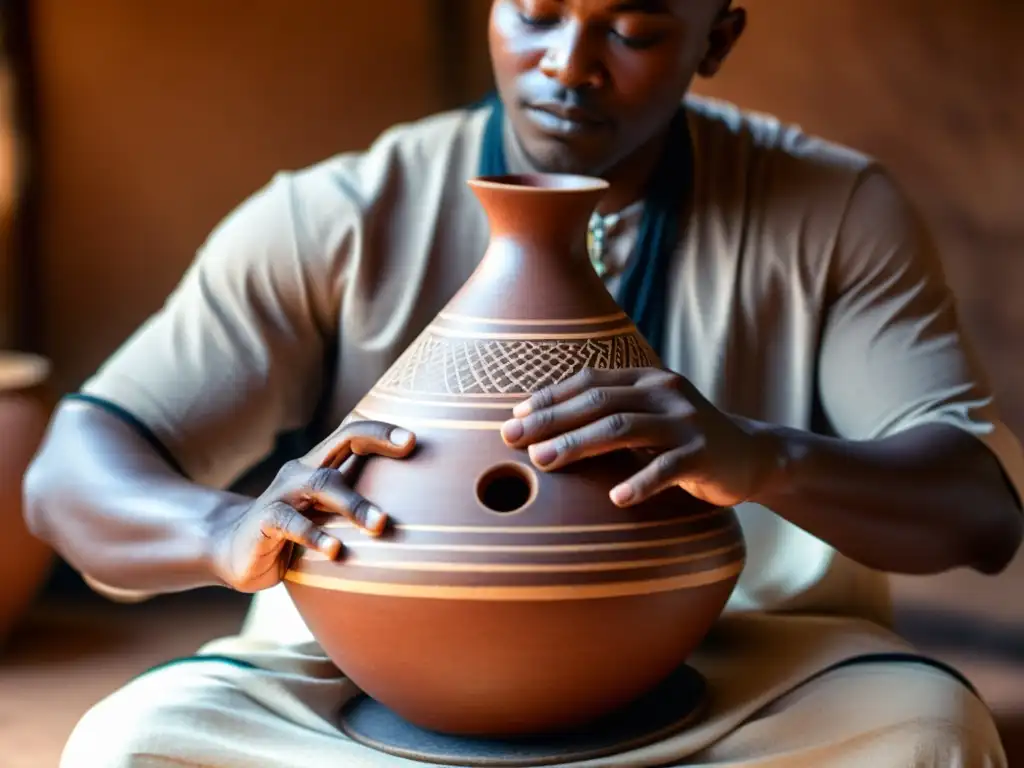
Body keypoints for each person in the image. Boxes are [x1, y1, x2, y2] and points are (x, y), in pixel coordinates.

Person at [24, 0, 1024, 765]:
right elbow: (69, 473)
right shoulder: (340, 216)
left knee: (927, 732)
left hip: (733, 677)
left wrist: (760, 458)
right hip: (363, 685)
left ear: (714, 36)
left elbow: (976, 513)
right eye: (534, 11)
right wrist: (217, 531)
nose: (566, 65)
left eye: (630, 28)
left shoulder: (832, 211)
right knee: (136, 741)